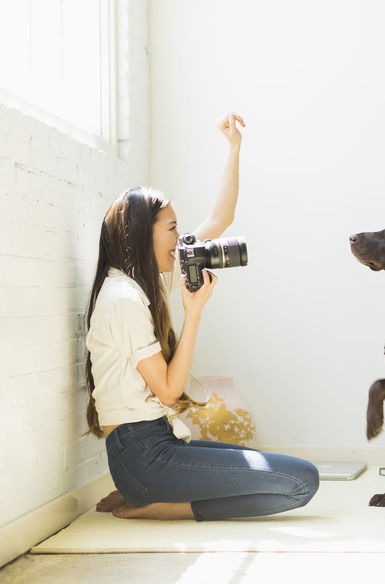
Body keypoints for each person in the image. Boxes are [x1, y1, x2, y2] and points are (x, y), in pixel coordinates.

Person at [85, 113, 319, 521]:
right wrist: (193, 315)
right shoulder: (123, 298)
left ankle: (148, 494)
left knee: (291, 473)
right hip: (143, 456)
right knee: (301, 482)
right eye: (172, 229)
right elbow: (170, 392)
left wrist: (233, 148)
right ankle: (156, 505)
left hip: (157, 443)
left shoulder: (140, 281)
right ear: (142, 235)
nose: (181, 240)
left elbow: (220, 219)